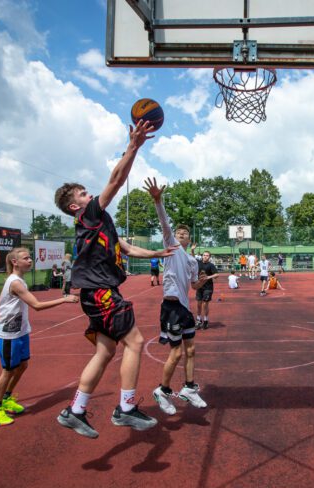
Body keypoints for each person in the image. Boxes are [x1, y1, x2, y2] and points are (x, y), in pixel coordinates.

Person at [53, 119, 176, 438]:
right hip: (101, 293)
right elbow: (116, 179)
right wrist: (133, 146)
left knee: (105, 352)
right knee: (135, 342)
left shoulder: (98, 223)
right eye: (83, 193)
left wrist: (156, 255)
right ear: (74, 205)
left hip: (93, 295)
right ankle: (125, 407)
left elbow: (125, 247)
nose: (89, 193)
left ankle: (75, 410)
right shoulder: (88, 215)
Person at [0, 247, 79, 426]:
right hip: (8, 334)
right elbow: (36, 305)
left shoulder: (18, 280)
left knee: (22, 365)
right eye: (26, 258)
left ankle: (6, 398)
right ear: (15, 262)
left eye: (30, 258)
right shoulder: (15, 283)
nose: (30, 260)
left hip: (20, 331)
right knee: (8, 371)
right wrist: (64, 299)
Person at [143, 177, 210, 415]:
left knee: (191, 350)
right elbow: (165, 224)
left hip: (185, 308)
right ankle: (162, 390)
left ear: (189, 239)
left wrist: (200, 283)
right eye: (179, 231)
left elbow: (193, 286)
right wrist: (158, 201)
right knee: (177, 352)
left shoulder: (192, 260)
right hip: (171, 308)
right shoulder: (170, 247)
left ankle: (190, 388)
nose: (180, 233)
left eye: (185, 233)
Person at [195, 251, 220, 329]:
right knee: (199, 304)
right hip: (199, 286)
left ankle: (205, 320)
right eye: (204, 255)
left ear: (209, 257)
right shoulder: (198, 263)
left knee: (205, 304)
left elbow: (217, 274)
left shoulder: (211, 265)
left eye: (207, 255)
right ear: (202, 256)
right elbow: (192, 257)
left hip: (208, 288)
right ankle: (198, 320)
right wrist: (192, 250)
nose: (205, 256)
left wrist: (208, 277)